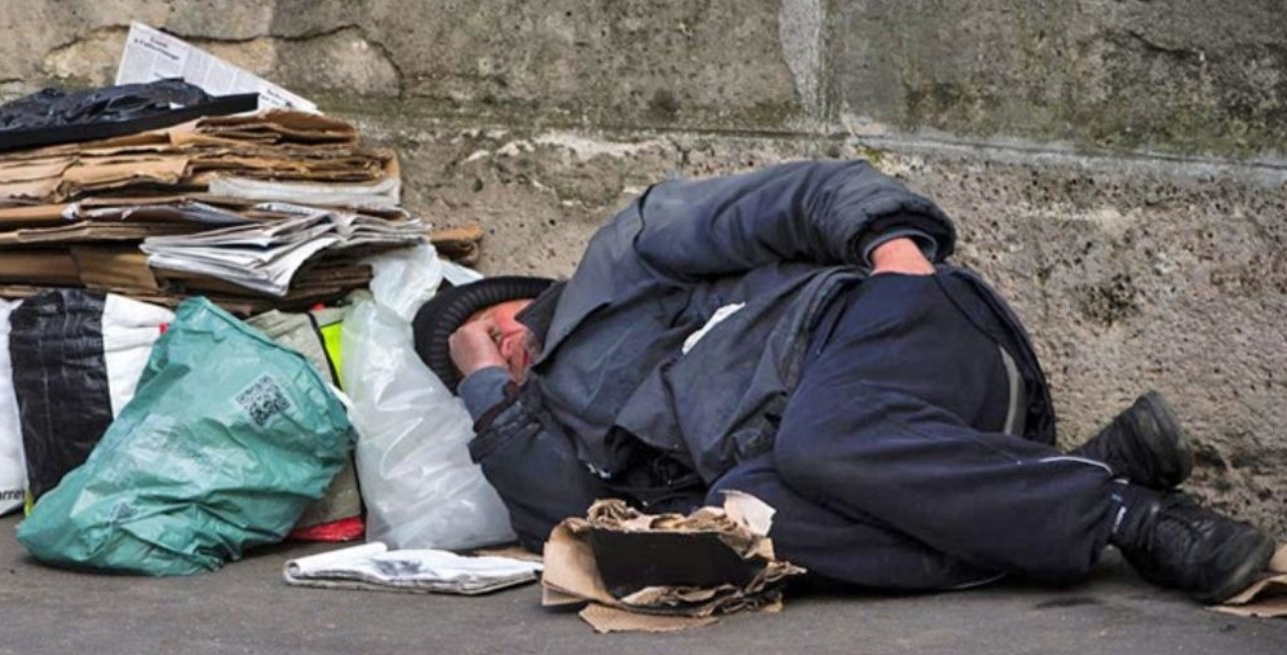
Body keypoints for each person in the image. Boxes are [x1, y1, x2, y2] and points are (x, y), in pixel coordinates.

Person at [412, 160, 1275, 603]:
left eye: (493, 325)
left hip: (887, 329)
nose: (504, 344)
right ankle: (1078, 482)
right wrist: (488, 391)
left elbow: (789, 196)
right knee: (730, 530)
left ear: (524, 296)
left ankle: (1132, 515)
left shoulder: (620, 259)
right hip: (874, 460)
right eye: (480, 356)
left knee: (820, 435)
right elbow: (560, 522)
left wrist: (892, 243)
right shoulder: (555, 420)